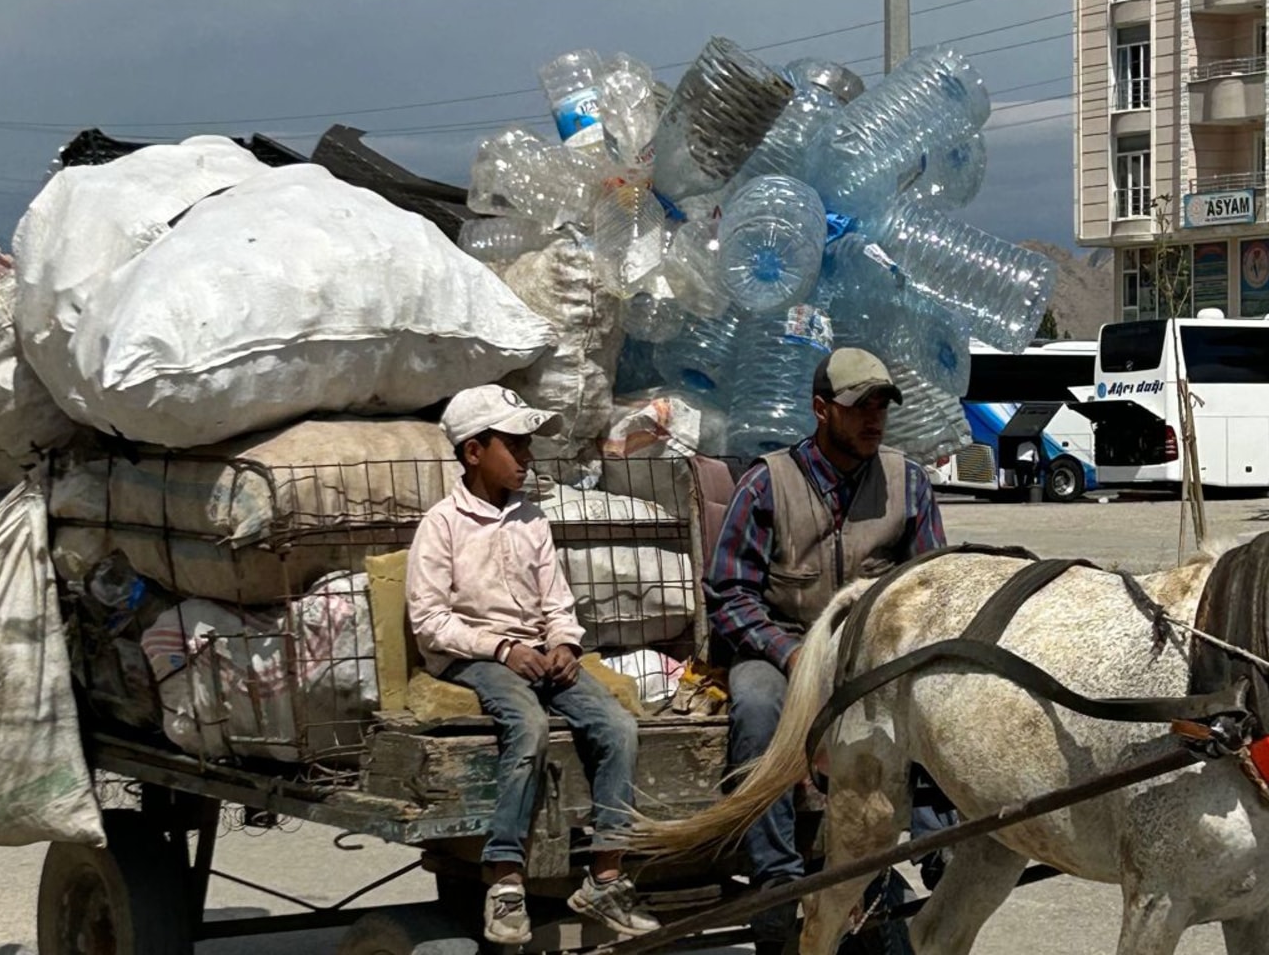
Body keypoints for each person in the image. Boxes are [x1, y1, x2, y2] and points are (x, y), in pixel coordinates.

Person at [706, 348, 957, 954]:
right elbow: (730, 594)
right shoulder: (767, 484)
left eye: (882, 406)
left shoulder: (907, 482)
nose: (874, 418)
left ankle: (939, 844)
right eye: (859, 406)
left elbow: (935, 587)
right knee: (757, 708)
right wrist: (793, 656)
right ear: (821, 410)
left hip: (874, 656)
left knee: (942, 698)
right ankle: (777, 882)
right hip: (783, 647)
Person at [407, 385, 661, 946]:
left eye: (528, 446)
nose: (527, 457)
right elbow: (430, 621)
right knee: (528, 724)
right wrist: (502, 649)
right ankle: (504, 878)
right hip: (475, 658)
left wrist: (565, 644)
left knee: (618, 726)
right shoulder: (443, 524)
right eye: (515, 446)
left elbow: (557, 602)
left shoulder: (531, 519)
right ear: (474, 452)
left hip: (538, 653)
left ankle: (606, 875)